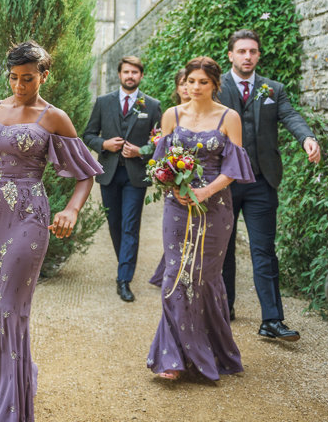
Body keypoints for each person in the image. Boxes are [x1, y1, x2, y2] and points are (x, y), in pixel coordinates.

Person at [0, 41, 100, 422]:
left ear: (44, 75)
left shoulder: (53, 117)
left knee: (10, 310)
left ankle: (6, 419)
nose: (19, 85)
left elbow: (86, 174)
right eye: (13, 77)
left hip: (29, 216)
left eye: (28, 77)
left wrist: (72, 210)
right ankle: (14, 382)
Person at [147, 56, 254, 381]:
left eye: (203, 82)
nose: (195, 87)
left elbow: (233, 168)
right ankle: (172, 357)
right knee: (175, 274)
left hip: (215, 207)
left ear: (215, 84)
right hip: (177, 206)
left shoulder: (228, 117)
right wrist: (171, 186)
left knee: (204, 276)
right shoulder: (172, 115)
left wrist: (205, 192)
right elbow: (160, 163)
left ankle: (210, 351)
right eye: (191, 81)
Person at [220, 29, 321, 338]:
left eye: (253, 51)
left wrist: (307, 138)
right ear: (231, 55)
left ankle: (272, 320)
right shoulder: (215, 86)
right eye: (242, 51)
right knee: (223, 249)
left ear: (258, 55)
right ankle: (224, 307)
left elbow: (291, 116)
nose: (247, 56)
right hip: (223, 181)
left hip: (261, 181)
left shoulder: (273, 89)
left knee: (264, 250)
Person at [83, 56, 161, 301]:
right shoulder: (103, 102)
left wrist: (141, 151)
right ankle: (124, 264)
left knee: (130, 226)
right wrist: (104, 144)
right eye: (126, 72)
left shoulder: (152, 105)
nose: (130, 76)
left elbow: (159, 142)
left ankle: (124, 279)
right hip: (109, 173)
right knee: (115, 224)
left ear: (141, 76)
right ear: (119, 74)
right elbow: (88, 134)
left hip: (136, 175)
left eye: (135, 72)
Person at [149, 68, 191, 287]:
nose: (187, 88)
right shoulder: (171, 115)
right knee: (176, 233)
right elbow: (162, 152)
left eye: (189, 82)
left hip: (199, 181)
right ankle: (172, 277)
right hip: (174, 182)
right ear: (177, 87)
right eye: (182, 83)